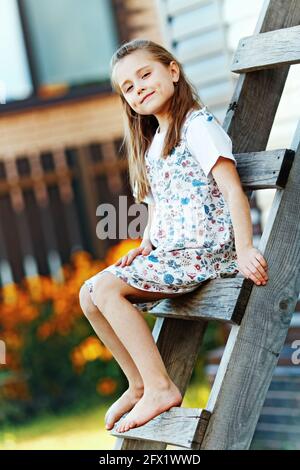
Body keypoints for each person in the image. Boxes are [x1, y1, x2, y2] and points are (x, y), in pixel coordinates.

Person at [79, 39, 269, 434]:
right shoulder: (154, 141)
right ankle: (138, 384)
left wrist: (245, 246)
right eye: (128, 87)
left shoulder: (197, 127)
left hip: (204, 253)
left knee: (107, 290)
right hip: (172, 252)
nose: (139, 88)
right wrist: (147, 243)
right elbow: (163, 203)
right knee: (89, 293)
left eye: (144, 74)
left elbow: (232, 189)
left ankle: (161, 386)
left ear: (172, 71)